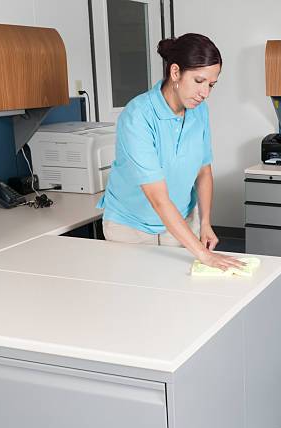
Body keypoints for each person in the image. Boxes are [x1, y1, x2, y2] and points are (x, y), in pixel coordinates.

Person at [97, 33, 243, 271]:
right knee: (136, 301)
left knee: (184, 298)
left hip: (181, 224)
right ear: (175, 72)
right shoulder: (138, 116)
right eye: (199, 81)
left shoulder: (199, 111)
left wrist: (205, 222)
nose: (205, 93)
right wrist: (204, 256)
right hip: (131, 228)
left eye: (211, 85)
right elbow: (158, 198)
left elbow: (203, 170)